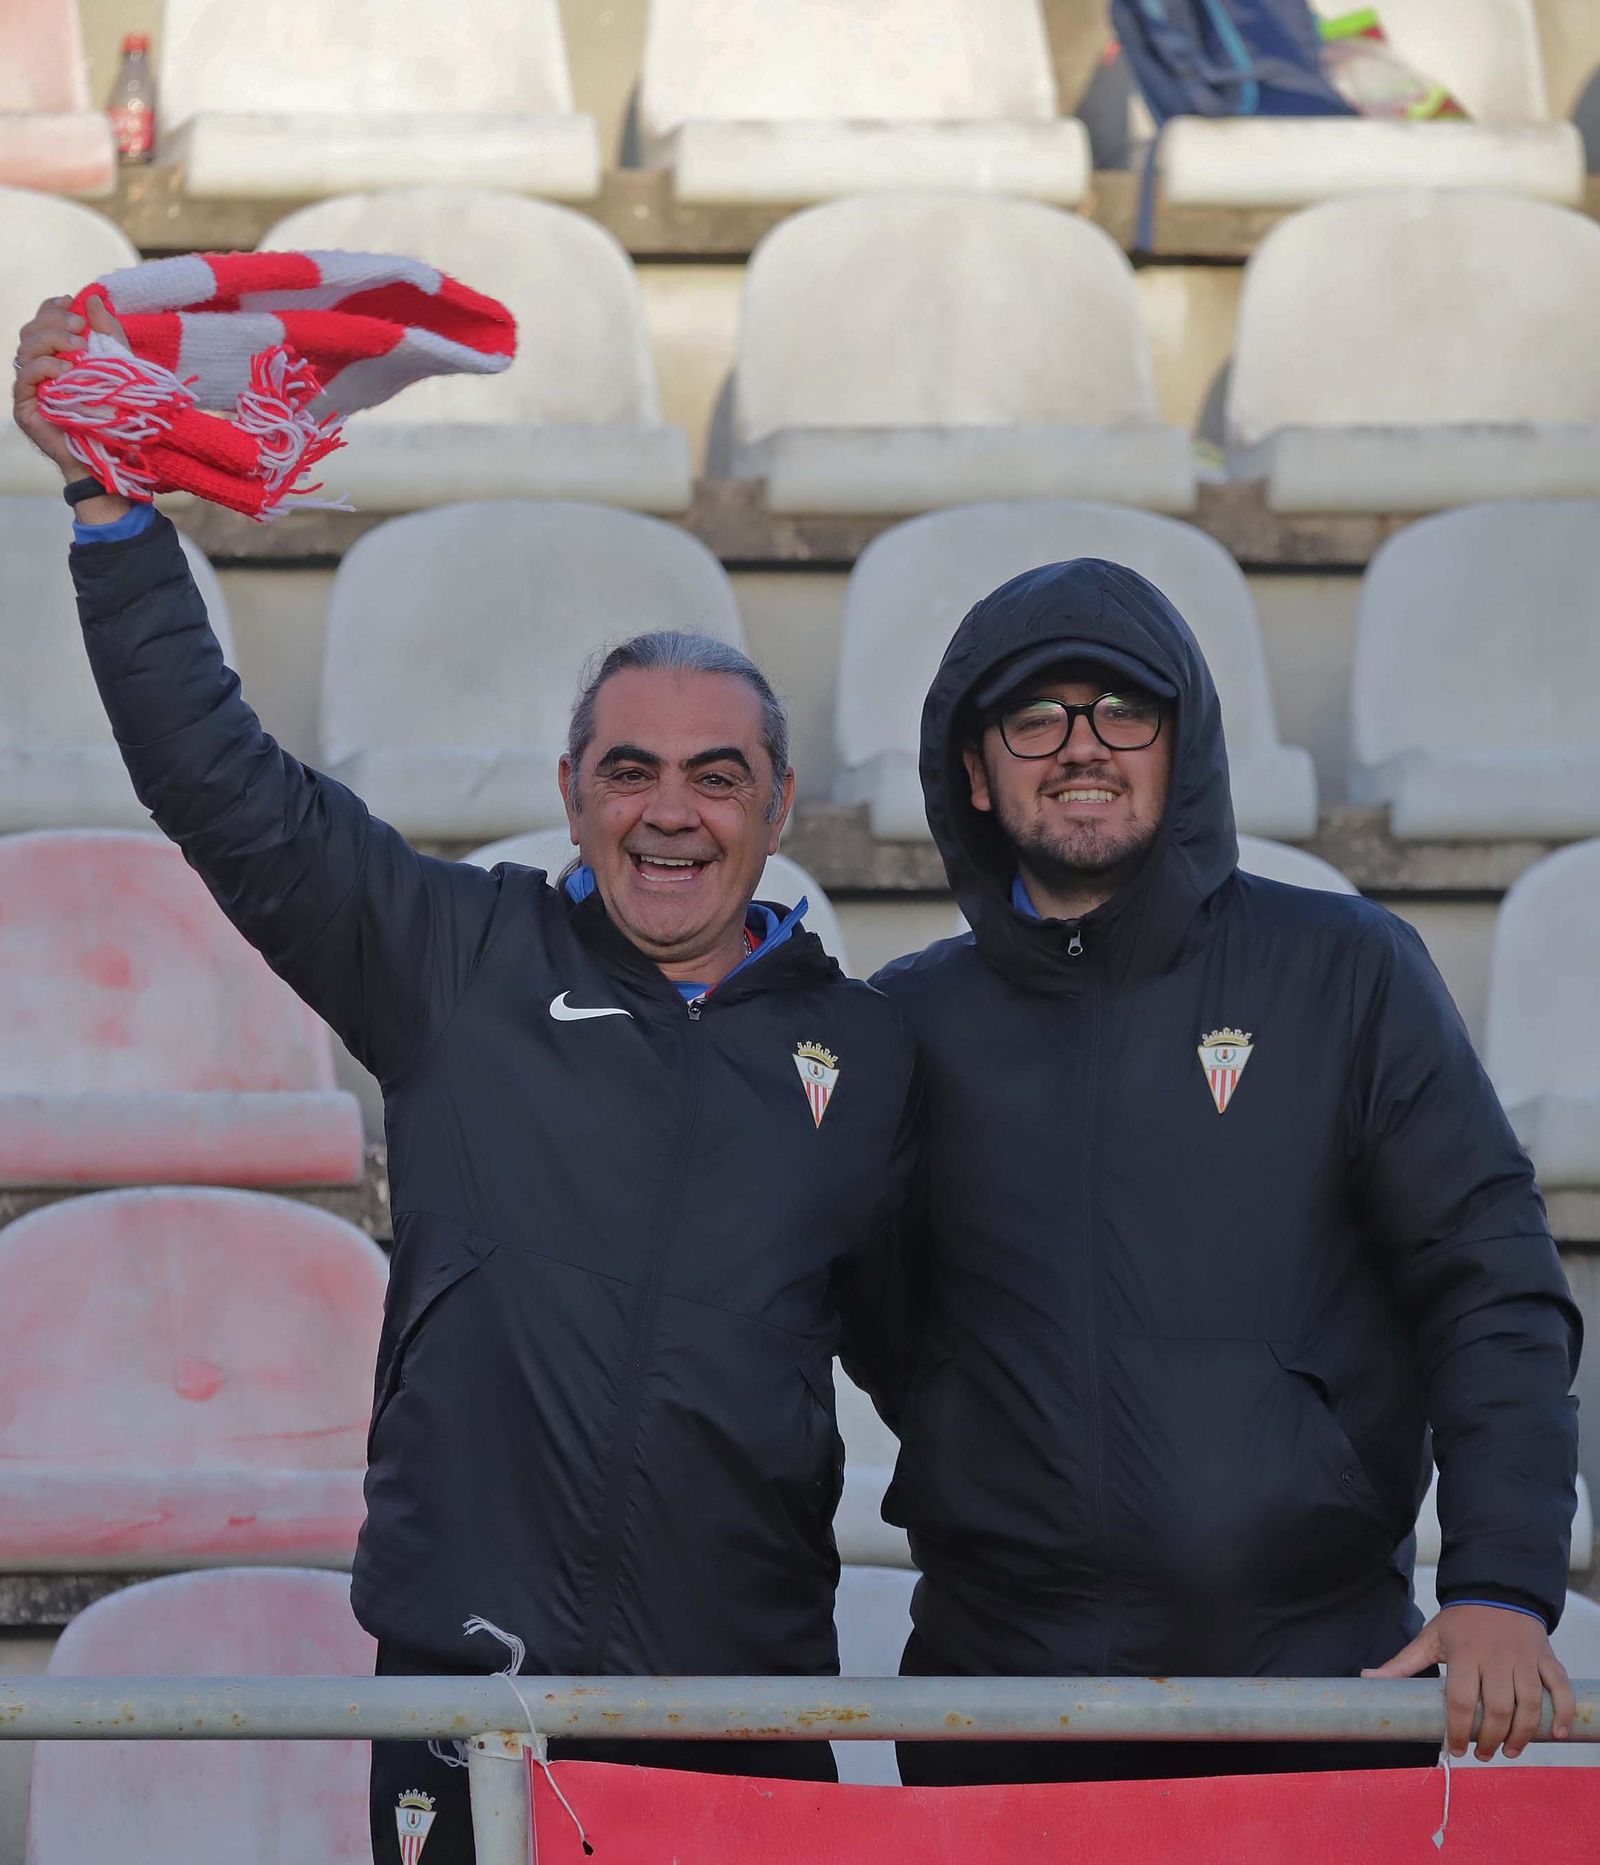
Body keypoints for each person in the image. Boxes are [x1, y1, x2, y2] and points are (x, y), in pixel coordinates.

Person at [13, 297, 919, 1863]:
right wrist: (112, 517)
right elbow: (223, 784)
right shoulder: (456, 959)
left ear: (779, 810)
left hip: (740, 1719)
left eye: (717, 776)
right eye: (627, 769)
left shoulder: (882, 1058)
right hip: (467, 1697)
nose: (669, 811)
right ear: (571, 795)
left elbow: (986, 1374)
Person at [872, 557, 1582, 1785]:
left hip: (1318, 1696)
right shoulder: (903, 1026)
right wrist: (971, 1425)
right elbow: (868, 1317)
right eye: (1033, 717)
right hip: (1000, 1706)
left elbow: (1489, 1284)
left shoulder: (1347, 971)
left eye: (1123, 710)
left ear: (1182, 741)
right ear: (974, 769)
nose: (1081, 747)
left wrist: (1502, 1583)